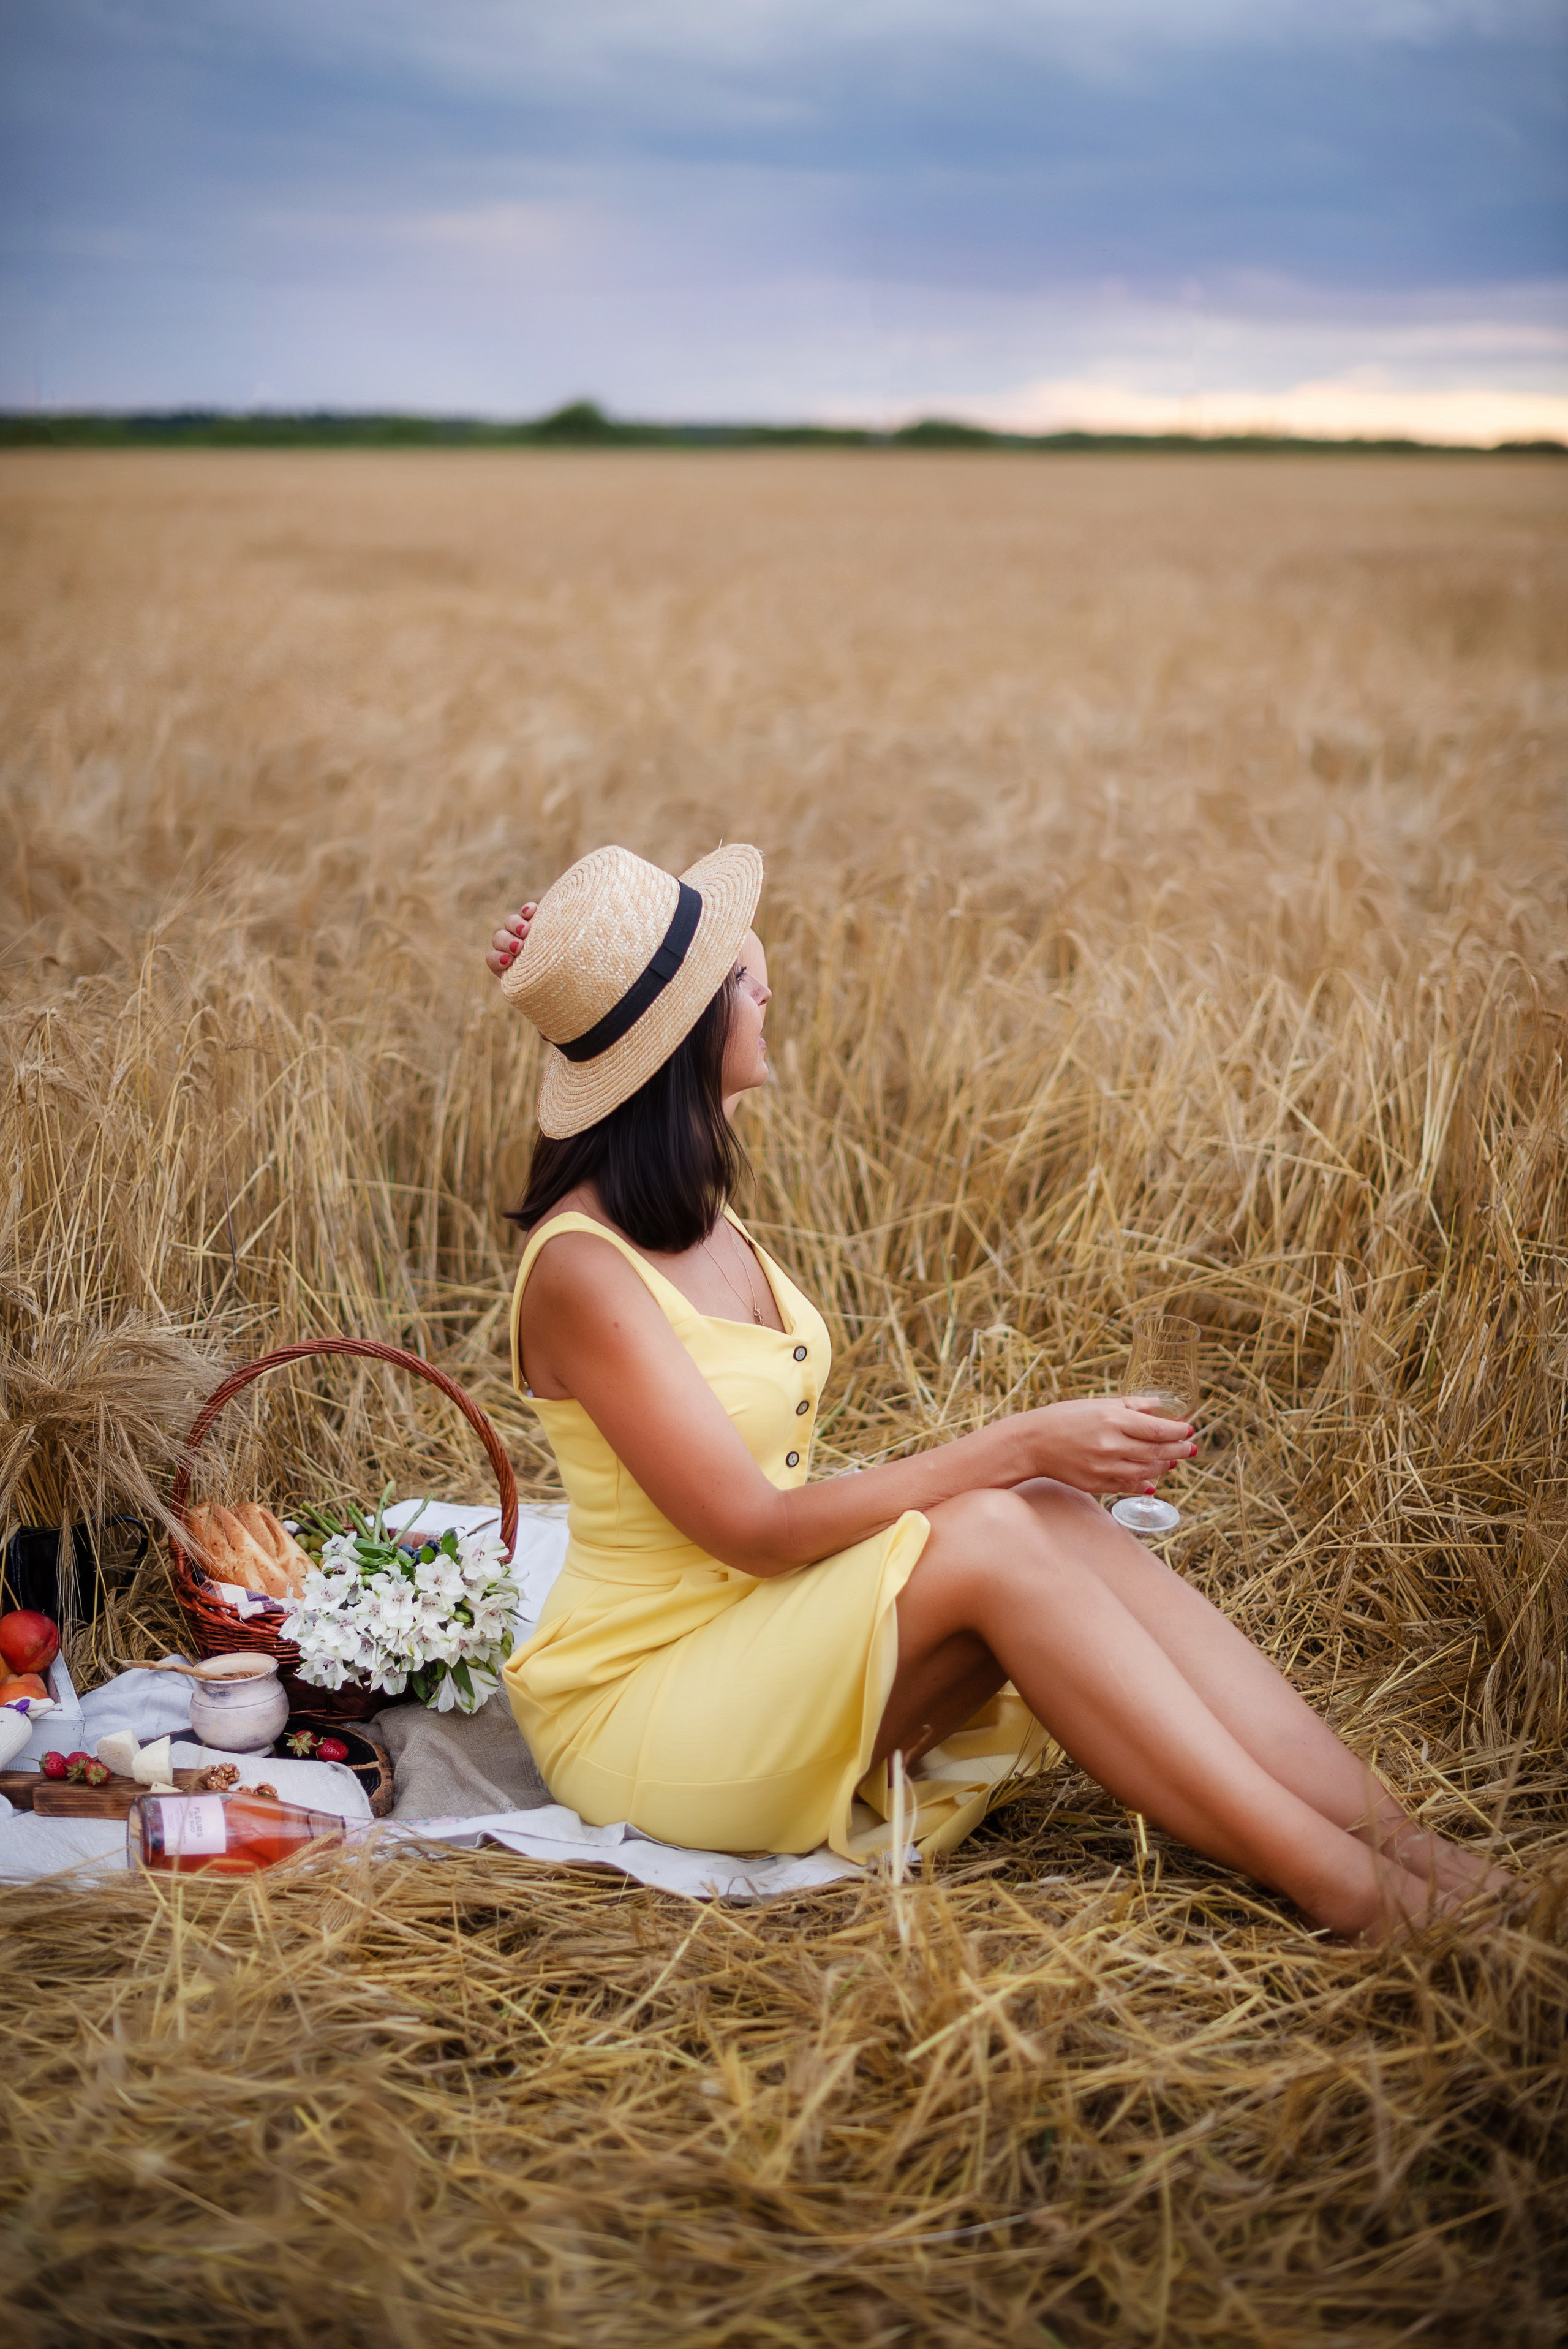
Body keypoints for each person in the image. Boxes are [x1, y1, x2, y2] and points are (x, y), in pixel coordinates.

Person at [488, 844, 1508, 1942]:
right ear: (684, 1038)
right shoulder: (586, 1269)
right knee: (993, 1526)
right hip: (650, 1704)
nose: (766, 983)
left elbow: (703, 970)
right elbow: (755, 1528)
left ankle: (1401, 1841)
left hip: (753, 1639)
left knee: (1051, 1515)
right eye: (737, 981)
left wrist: (594, 960)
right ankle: (1350, 1893)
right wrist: (1019, 1440)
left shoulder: (688, 1203)